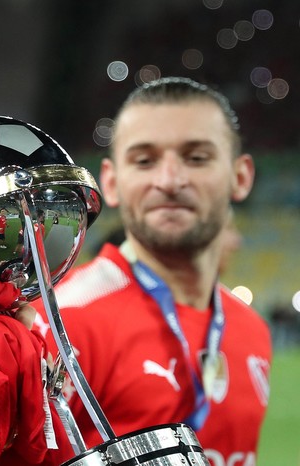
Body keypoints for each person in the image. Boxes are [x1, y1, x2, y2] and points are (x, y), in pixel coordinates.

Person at [40, 77, 271, 465]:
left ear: (241, 176)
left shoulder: (251, 330)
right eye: (144, 161)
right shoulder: (64, 323)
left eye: (196, 158)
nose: (169, 181)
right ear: (111, 183)